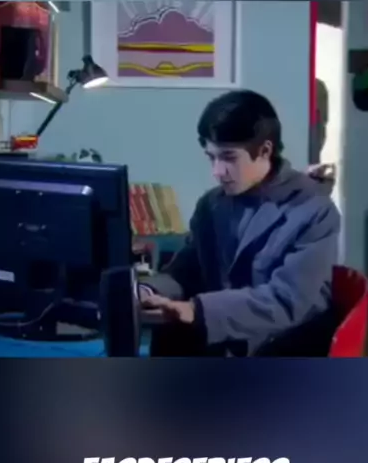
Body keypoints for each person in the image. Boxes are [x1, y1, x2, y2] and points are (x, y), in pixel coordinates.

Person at [140, 89, 340, 356]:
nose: (217, 171)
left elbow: (289, 299)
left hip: (285, 344)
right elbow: (185, 270)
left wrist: (198, 310)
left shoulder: (314, 209)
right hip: (227, 340)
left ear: (265, 150)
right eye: (211, 157)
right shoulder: (211, 204)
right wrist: (147, 291)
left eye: (229, 158)